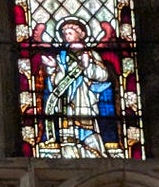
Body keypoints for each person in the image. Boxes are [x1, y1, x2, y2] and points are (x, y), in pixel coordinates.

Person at [38, 16, 119, 155]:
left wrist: (88, 67)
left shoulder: (91, 54)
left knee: (89, 133)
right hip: (66, 103)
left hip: (86, 100)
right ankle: (69, 154)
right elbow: (57, 82)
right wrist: (53, 67)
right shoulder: (62, 57)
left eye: (70, 33)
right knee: (68, 136)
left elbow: (103, 76)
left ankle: (96, 156)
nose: (67, 36)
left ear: (80, 34)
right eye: (65, 34)